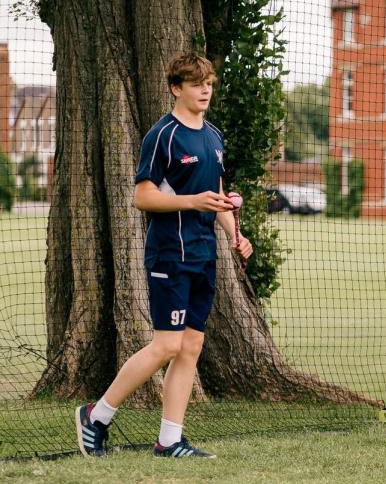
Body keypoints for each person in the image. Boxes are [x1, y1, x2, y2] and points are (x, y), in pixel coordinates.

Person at [74, 54, 254, 458]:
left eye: (209, 82)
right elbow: (142, 196)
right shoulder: (162, 136)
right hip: (169, 255)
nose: (205, 90)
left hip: (204, 257)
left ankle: (170, 440)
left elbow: (217, 198)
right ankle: (96, 415)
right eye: (196, 83)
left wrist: (236, 236)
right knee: (167, 346)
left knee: (190, 348)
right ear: (177, 89)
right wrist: (192, 201)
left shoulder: (213, 136)